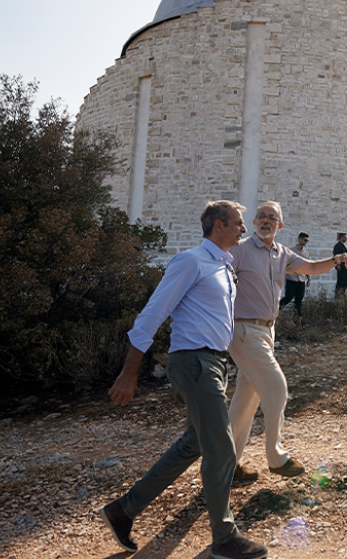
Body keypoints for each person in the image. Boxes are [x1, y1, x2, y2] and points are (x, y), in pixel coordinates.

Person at [100, 200, 268, 559]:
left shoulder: (223, 265)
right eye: (238, 223)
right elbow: (152, 315)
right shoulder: (190, 261)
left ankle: (123, 510)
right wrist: (130, 373)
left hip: (215, 364)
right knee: (221, 447)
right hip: (194, 364)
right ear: (218, 226)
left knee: (195, 443)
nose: (244, 229)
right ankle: (224, 537)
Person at [228, 203, 347, 481]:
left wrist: (337, 260)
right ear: (254, 221)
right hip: (244, 331)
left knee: (246, 400)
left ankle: (226, 465)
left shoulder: (282, 253)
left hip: (267, 332)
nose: (266, 221)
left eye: (272, 218)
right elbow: (218, 278)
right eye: (261, 216)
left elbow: (310, 267)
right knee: (276, 388)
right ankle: (275, 456)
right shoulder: (239, 251)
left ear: (280, 226)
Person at [278, 232, 310, 317]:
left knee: (299, 300)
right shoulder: (290, 251)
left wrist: (308, 278)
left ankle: (298, 319)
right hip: (291, 278)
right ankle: (275, 310)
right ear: (299, 239)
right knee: (288, 297)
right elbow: (284, 263)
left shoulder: (306, 253)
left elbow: (307, 266)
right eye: (305, 240)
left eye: (307, 241)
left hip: (301, 279)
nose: (306, 242)